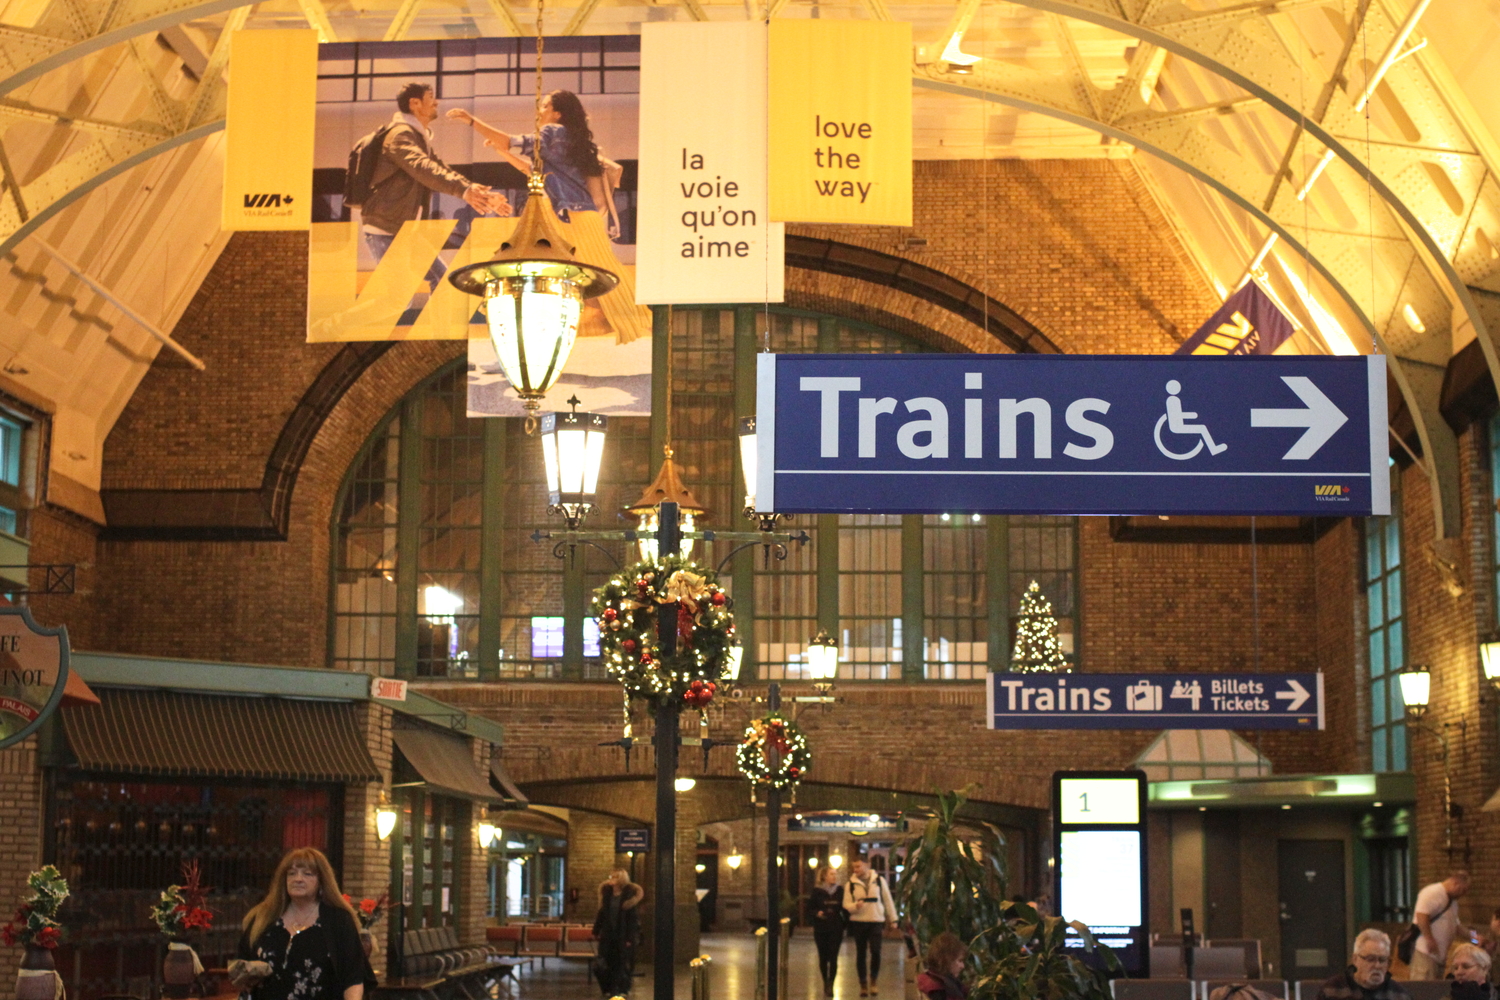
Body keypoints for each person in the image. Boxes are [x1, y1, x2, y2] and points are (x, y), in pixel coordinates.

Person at [359, 82, 510, 284]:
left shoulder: (416, 137)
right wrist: (465, 190)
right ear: (415, 103)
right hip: (387, 230)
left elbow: (441, 169)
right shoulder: (399, 136)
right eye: (431, 97)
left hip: (404, 229)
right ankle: (331, 319)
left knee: (442, 283)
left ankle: (437, 317)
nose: (436, 102)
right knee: (393, 302)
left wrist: (479, 193)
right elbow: (423, 168)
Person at [446, 90, 622, 238]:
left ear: (557, 114)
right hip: (585, 217)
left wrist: (471, 121)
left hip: (567, 216)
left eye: (545, 106)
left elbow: (513, 142)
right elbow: (530, 170)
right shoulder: (572, 140)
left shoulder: (553, 131)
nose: (539, 111)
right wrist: (501, 150)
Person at [235, 847, 369, 1000]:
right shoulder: (263, 918)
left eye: (307, 874)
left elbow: (353, 977)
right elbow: (240, 971)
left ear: (321, 881)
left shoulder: (338, 921)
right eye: (291, 873)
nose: (298, 879)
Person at [844, 858, 897, 997]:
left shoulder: (879, 880)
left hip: (875, 920)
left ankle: (873, 980)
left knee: (876, 951)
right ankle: (863, 983)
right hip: (859, 921)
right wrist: (855, 906)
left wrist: (893, 918)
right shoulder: (850, 884)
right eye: (854, 867)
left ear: (867, 866)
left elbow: (887, 899)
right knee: (861, 953)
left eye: (858, 866)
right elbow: (846, 904)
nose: (856, 870)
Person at [1314, 928, 1411, 1000]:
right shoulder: (1333, 990)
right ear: (1355, 959)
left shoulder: (1399, 995)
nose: (1377, 965)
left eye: (1382, 960)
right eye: (1370, 959)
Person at [1412, 871, 1472, 980]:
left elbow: (1456, 926)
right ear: (1455, 883)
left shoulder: (1452, 902)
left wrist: (1475, 938)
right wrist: (1429, 939)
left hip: (1439, 957)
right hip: (1426, 954)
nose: (1463, 894)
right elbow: (1421, 915)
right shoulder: (1432, 892)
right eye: (1463, 890)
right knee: (1424, 990)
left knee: (1435, 991)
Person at [592, 869, 642, 997]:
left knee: (621, 964)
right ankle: (608, 988)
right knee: (605, 962)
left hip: (623, 935)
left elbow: (632, 919)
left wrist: (630, 938)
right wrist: (596, 931)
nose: (611, 879)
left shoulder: (628, 896)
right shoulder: (607, 895)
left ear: (620, 880)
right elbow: (602, 914)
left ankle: (621, 989)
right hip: (608, 935)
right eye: (611, 877)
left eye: (614, 877)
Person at [808, 865, 845, 997]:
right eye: (831, 874)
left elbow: (844, 908)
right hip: (821, 928)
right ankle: (825, 981)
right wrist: (816, 913)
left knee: (833, 956)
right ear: (824, 876)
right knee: (823, 957)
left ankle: (831, 984)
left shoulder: (840, 890)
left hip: (836, 927)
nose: (834, 877)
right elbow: (809, 908)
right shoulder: (817, 891)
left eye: (835, 874)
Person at [916, 932, 968, 1000]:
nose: (962, 966)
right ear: (947, 959)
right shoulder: (939, 990)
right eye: (960, 961)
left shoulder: (930, 979)